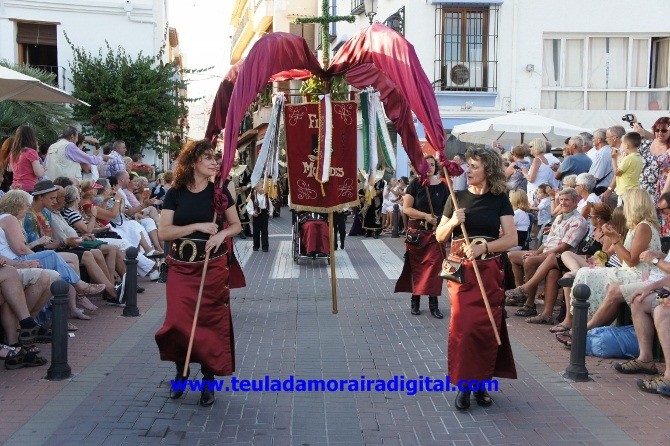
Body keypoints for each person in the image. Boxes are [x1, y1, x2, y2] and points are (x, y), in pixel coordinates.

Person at [155, 139, 241, 407]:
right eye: (208, 158)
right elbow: (164, 232)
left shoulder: (219, 193)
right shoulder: (175, 193)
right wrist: (198, 226)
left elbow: (236, 224)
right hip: (181, 267)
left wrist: (222, 234)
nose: (214, 162)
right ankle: (181, 371)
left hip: (211, 266)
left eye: (215, 158)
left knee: (210, 323)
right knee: (178, 322)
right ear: (193, 162)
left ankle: (208, 379)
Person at [436, 147, 518, 410]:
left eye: (474, 166)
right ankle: (464, 385)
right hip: (461, 272)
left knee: (485, 328)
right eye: (468, 166)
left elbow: (511, 238)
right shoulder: (456, 197)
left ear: (488, 170)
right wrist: (452, 222)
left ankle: (481, 384)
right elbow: (439, 236)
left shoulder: (499, 199)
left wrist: (485, 247)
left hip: (489, 271)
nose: (468, 171)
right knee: (464, 327)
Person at [395, 155, 448, 318]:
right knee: (416, 268)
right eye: (426, 164)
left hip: (435, 234)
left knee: (435, 269)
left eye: (432, 164)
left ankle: (434, 304)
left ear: (436, 167)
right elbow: (406, 208)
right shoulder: (415, 184)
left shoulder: (443, 187)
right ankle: (415, 301)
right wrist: (425, 216)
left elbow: (448, 209)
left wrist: (443, 222)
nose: (429, 167)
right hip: (417, 234)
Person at [45, 126, 109, 181]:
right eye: (77, 137)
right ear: (72, 136)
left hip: (52, 182)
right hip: (67, 184)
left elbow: (45, 165)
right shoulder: (69, 146)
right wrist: (102, 158)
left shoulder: (52, 146)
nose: (76, 140)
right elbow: (89, 159)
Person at [9, 125, 45, 193]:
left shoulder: (13, 153)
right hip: (29, 188)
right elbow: (39, 173)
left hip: (15, 187)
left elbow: (11, 169)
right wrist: (43, 169)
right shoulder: (31, 152)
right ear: (31, 137)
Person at [246, 180, 273, 252]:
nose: (263, 189)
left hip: (264, 214)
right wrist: (252, 212)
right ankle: (256, 246)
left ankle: (265, 247)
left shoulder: (266, 196)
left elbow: (270, 205)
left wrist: (270, 212)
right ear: (256, 188)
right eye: (261, 187)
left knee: (264, 231)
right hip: (256, 215)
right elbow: (249, 207)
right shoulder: (253, 196)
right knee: (256, 231)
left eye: (264, 187)